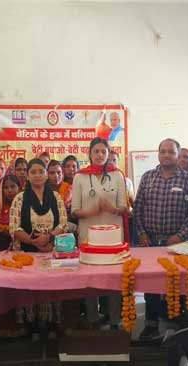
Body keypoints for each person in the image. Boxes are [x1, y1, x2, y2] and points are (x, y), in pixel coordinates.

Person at [134, 138, 188, 340]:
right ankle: (151, 324)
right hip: (150, 241)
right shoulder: (148, 177)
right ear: (158, 154)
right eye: (162, 151)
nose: (166, 155)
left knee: (178, 283)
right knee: (150, 283)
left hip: (179, 244)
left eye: (171, 152)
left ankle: (178, 325)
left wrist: (180, 235)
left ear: (178, 155)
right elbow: (138, 209)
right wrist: (142, 233)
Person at [72, 138, 128, 330]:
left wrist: (112, 208)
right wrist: (91, 211)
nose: (99, 155)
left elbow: (124, 207)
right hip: (88, 236)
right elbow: (75, 210)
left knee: (114, 278)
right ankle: (92, 318)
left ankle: (114, 320)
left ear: (108, 153)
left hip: (113, 237)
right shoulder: (80, 177)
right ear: (89, 154)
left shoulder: (117, 175)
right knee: (89, 278)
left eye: (103, 152)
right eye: (96, 151)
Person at [9, 159, 69, 331]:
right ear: (27, 175)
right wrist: (34, 242)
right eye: (32, 172)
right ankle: (31, 328)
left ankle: (50, 326)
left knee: (50, 289)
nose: (37, 175)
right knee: (29, 289)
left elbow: (63, 223)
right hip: (26, 252)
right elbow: (14, 227)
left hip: (51, 250)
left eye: (40, 172)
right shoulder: (20, 198)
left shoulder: (56, 197)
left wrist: (49, 238)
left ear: (45, 174)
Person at [0, 175, 21, 251]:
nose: (9, 190)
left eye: (13, 186)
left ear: (19, 188)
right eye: (6, 187)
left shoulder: (24, 205)